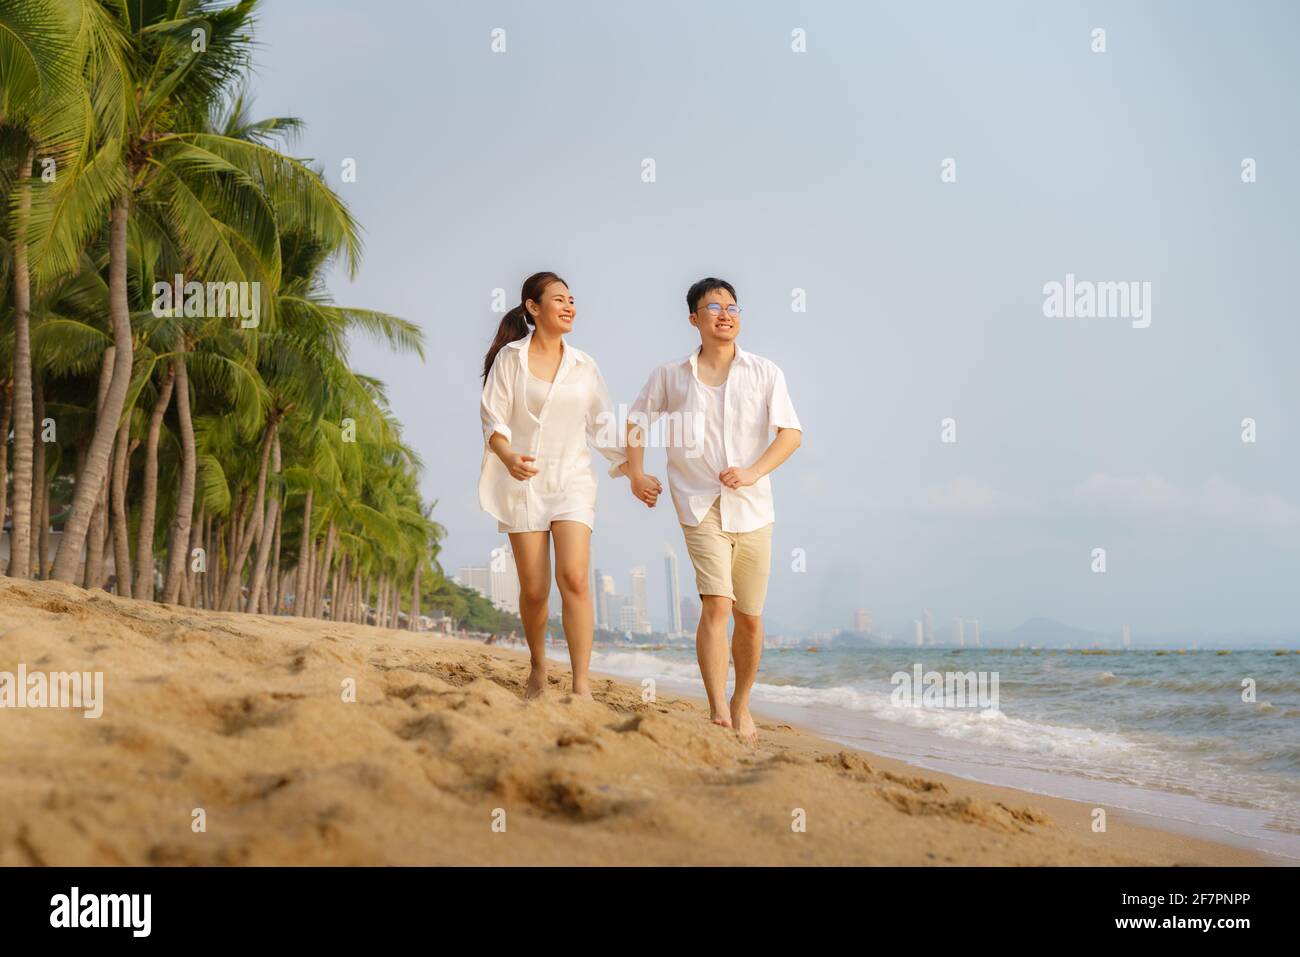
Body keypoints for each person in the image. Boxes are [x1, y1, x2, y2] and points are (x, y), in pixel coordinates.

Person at [624, 278, 802, 743]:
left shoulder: (766, 372)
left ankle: (742, 702)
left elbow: (790, 435)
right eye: (713, 307)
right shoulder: (671, 376)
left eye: (732, 306)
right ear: (693, 319)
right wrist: (637, 475)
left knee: (750, 616)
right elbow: (637, 420)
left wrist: (753, 471)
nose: (725, 314)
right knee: (717, 603)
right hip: (698, 502)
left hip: (754, 507)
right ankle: (718, 706)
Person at [479, 271, 627, 699]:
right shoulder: (511, 358)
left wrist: (631, 470)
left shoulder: (585, 365)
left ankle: (581, 683)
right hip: (522, 483)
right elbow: (493, 416)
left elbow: (602, 425)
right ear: (533, 307)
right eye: (559, 299)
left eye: (572, 300)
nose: (569, 306)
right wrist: (507, 456)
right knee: (534, 589)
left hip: (573, 482)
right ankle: (539, 666)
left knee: (575, 579)